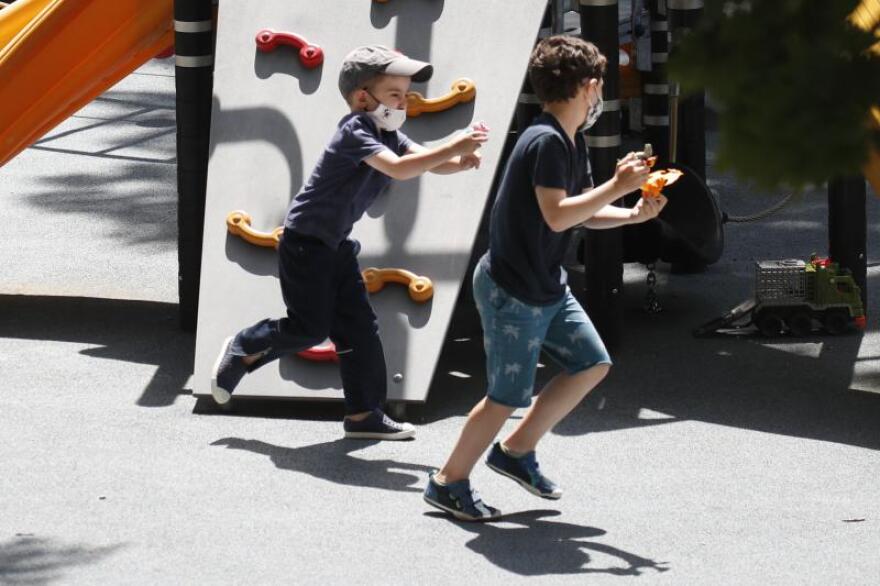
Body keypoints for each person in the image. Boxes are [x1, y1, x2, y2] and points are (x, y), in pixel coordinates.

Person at [423, 35, 667, 520]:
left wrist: (631, 214)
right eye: (598, 89)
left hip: (544, 286)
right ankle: (447, 482)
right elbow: (558, 215)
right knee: (504, 397)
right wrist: (618, 187)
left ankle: (514, 452)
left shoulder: (566, 138)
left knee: (591, 363)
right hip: (513, 293)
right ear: (591, 86)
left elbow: (580, 211)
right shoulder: (547, 141)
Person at [211, 45, 488, 440]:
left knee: (359, 329)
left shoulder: (388, 132)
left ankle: (363, 414)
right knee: (310, 328)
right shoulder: (355, 131)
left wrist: (459, 161)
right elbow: (400, 169)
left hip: (335, 245)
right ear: (363, 98)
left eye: (406, 94)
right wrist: (454, 146)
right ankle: (245, 344)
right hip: (305, 243)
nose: (403, 102)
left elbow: (424, 159)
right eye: (395, 94)